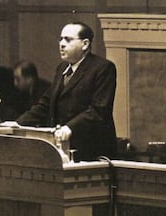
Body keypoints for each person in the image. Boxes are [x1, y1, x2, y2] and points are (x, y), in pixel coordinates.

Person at [13, 22, 117, 162]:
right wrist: (17, 124)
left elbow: (98, 109)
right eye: (61, 39)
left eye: (68, 40)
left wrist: (70, 127)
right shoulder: (62, 68)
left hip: (92, 150)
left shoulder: (103, 68)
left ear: (85, 44)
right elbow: (45, 104)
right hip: (63, 148)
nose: (61, 44)